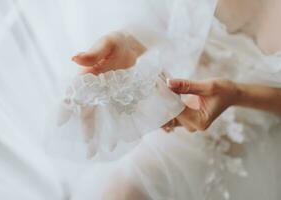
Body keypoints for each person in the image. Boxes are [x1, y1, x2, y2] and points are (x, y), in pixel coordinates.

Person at [70, 0, 281, 199]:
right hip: (184, 96)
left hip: (256, 118)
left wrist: (238, 94)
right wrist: (129, 42)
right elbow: (170, 12)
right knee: (123, 191)